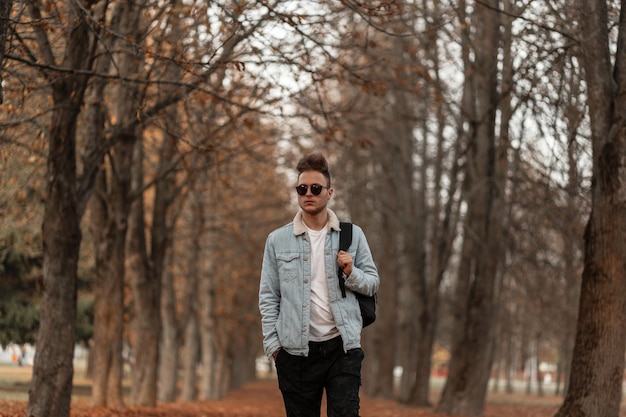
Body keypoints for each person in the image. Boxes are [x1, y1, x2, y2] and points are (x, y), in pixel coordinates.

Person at [259, 152, 380, 417]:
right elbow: (269, 297)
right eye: (302, 189)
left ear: (329, 192)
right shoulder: (277, 240)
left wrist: (351, 272)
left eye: (316, 188)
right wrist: (275, 349)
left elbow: (372, 284)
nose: (308, 193)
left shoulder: (351, 234)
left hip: (342, 348)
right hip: (295, 353)